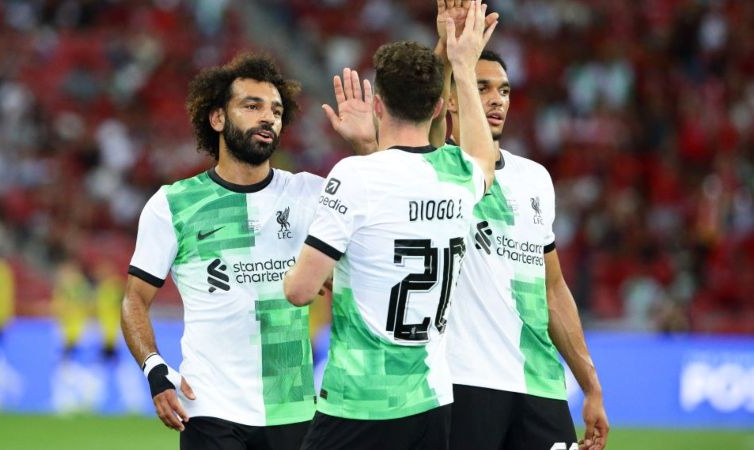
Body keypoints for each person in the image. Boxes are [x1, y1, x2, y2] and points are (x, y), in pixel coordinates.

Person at [284, 3, 499, 449]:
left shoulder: (356, 176)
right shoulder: (461, 175)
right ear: (441, 106)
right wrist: (460, 62)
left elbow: (299, 291)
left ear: (377, 106)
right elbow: (483, 159)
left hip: (360, 400)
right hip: (431, 399)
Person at [122, 52, 339, 450]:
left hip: (291, 406)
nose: (267, 117)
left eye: (275, 109)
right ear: (218, 118)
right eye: (251, 106)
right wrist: (155, 370)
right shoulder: (174, 204)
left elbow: (385, 222)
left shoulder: (311, 193)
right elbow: (135, 299)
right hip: (210, 409)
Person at [428, 2, 610, 449]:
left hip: (539, 383)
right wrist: (447, 55)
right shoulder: (439, 166)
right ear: (453, 98)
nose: (495, 99)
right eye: (482, 86)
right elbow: (424, 118)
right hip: (465, 381)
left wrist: (591, 385)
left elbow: (553, 290)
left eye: (504, 91)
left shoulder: (535, 178)